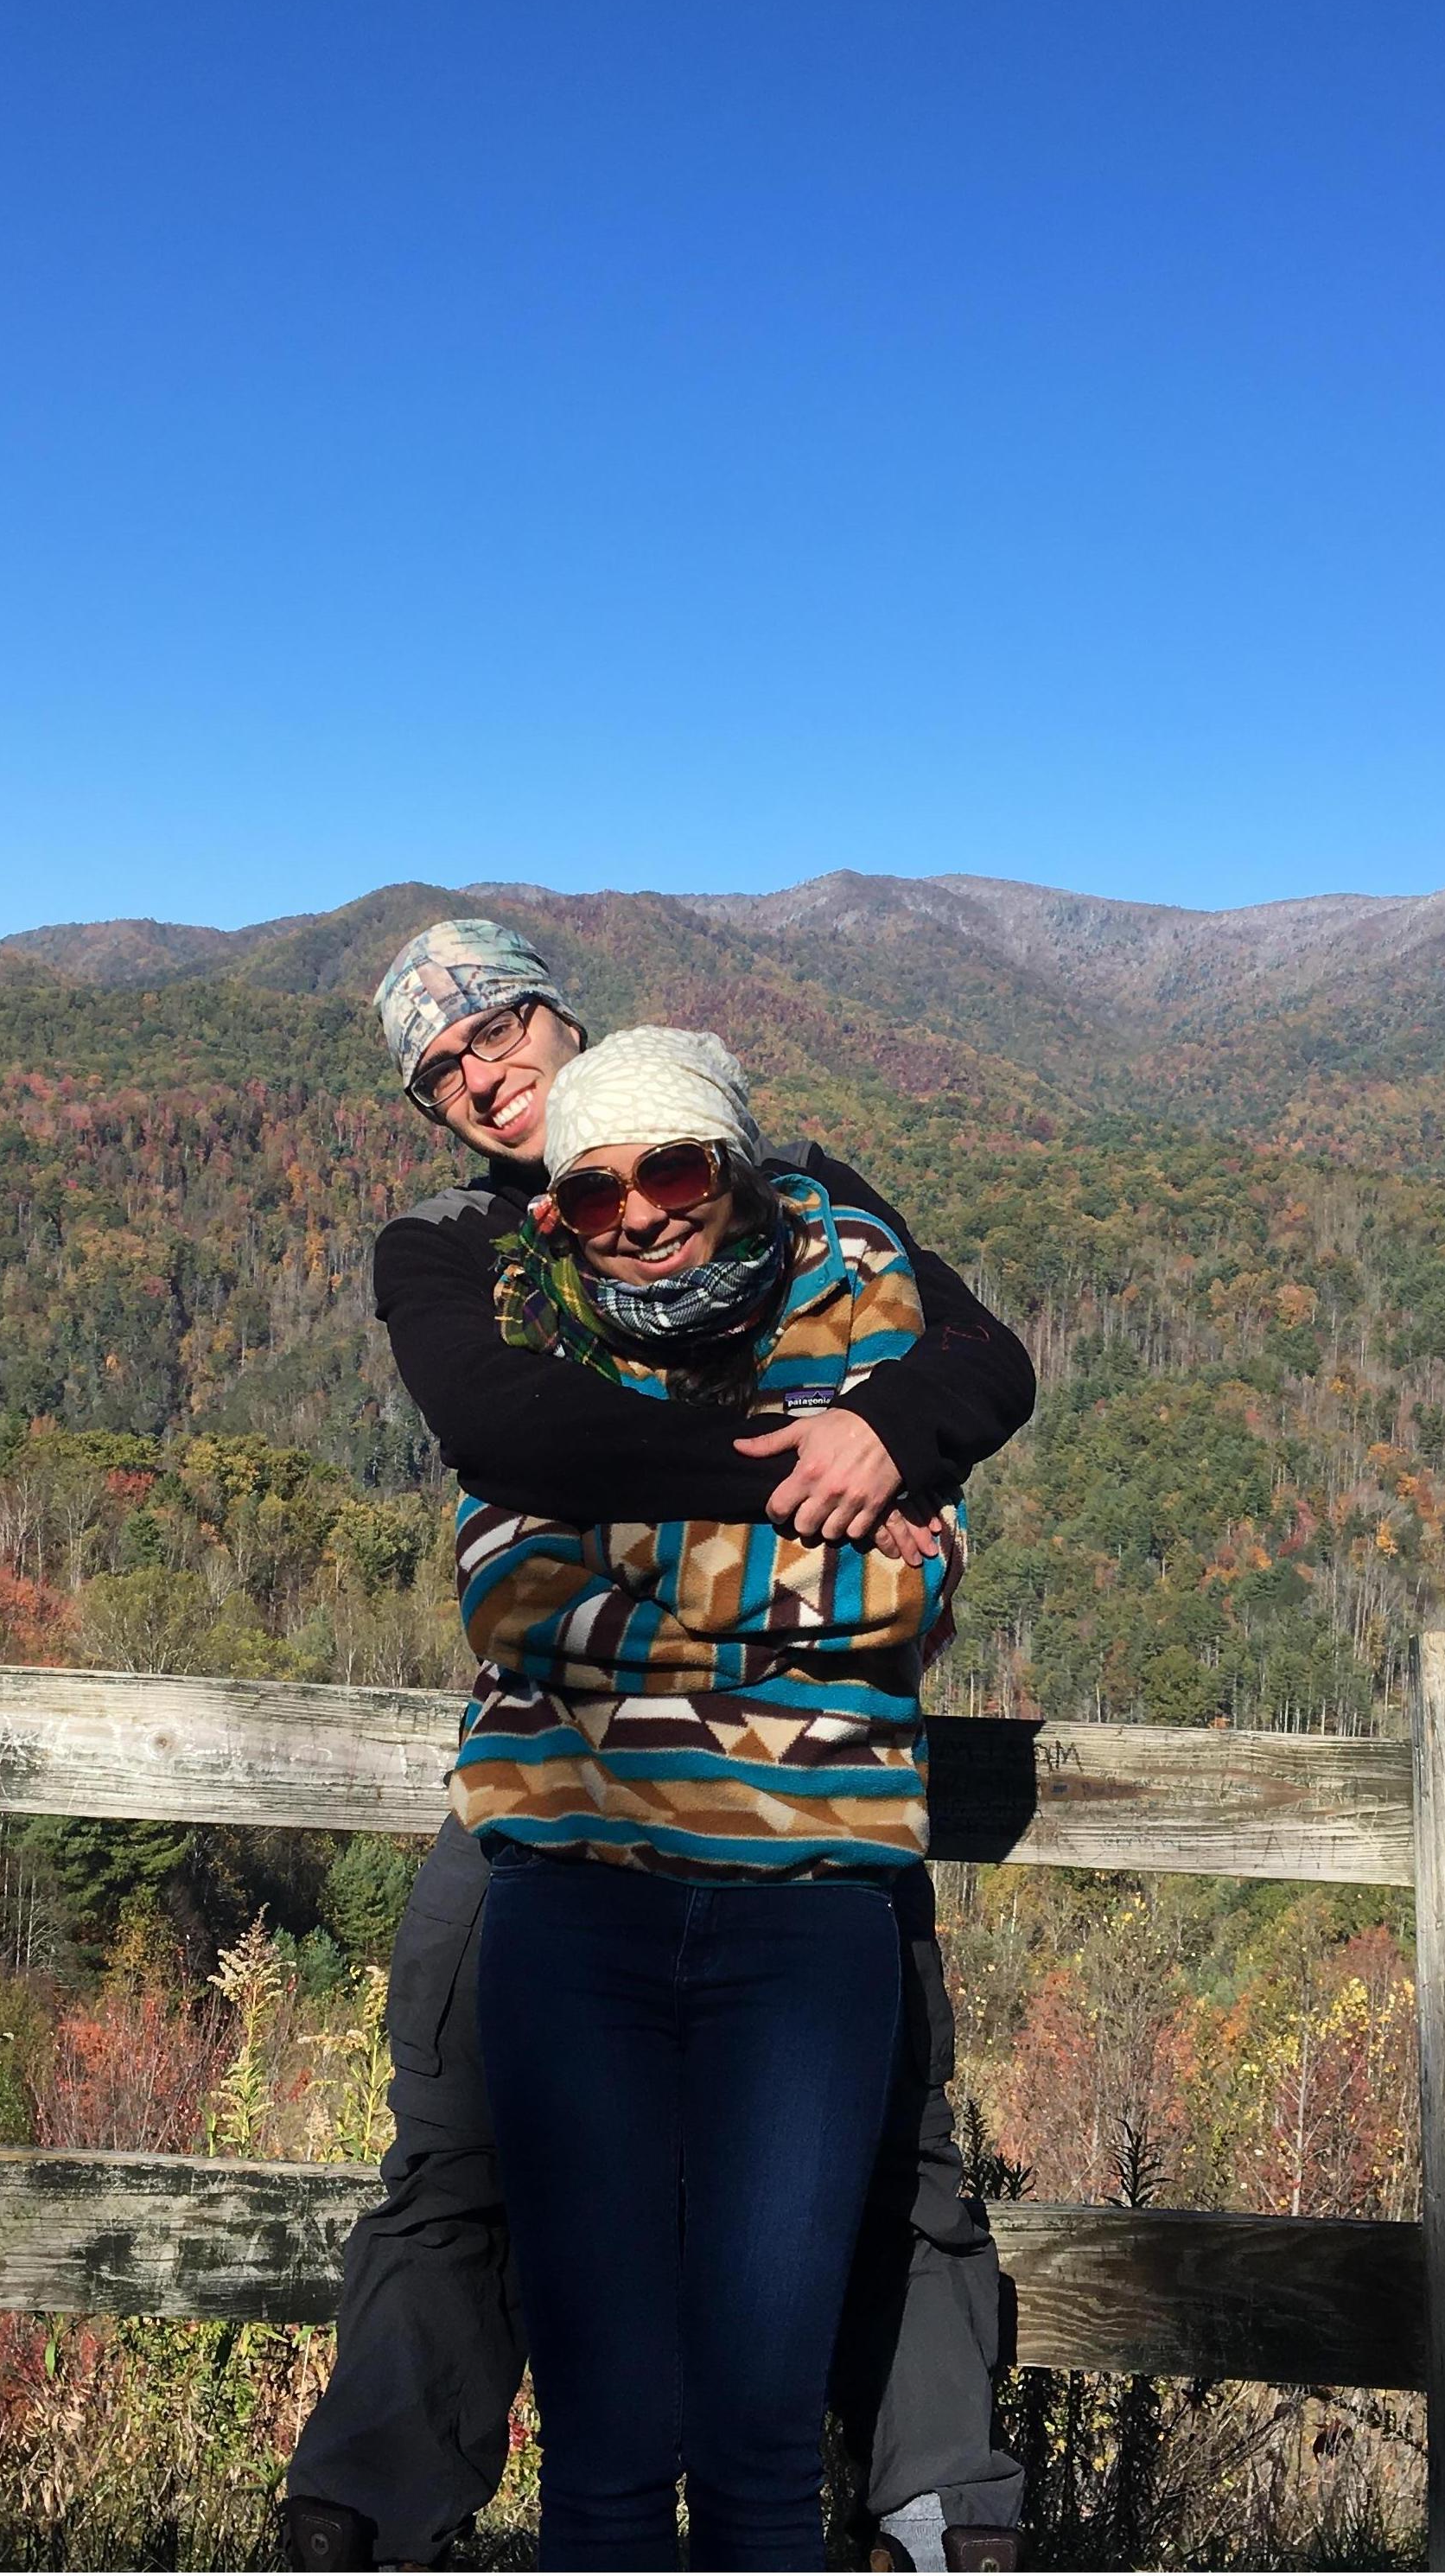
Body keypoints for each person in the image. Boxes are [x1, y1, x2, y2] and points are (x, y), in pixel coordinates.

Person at [283, 920, 1031, 2573]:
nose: (481, 1076)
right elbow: (509, 1449)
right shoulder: (459, 1248)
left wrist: (891, 1428)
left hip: (808, 1809)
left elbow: (983, 1362)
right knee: (458, 2137)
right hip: (554, 1799)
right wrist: (817, 1476)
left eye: (496, 1027)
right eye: (440, 1071)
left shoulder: (803, 1194)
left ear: (562, 1012)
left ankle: (940, 2509)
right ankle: (371, 2511)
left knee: (895, 2143)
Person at [461, 1023, 959, 2566]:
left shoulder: (869, 1315)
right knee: (602, 2446)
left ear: (733, 1167)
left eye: (671, 1171)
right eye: (592, 1192)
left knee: (761, 2447)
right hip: (573, 1910)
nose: (637, 1216)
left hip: (808, 1922)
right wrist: (787, 1565)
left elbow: (913, 1594)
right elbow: (506, 1596)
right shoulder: (529, 1338)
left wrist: (626, 1551)